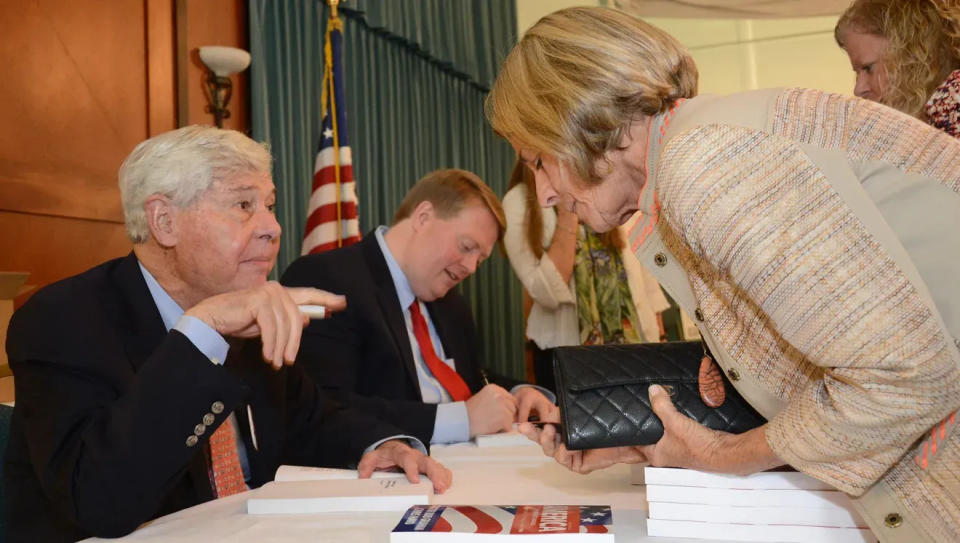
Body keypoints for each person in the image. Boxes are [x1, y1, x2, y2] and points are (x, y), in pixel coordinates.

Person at [486, 6, 960, 542]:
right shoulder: (702, 149)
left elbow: (905, 379)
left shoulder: (707, 163)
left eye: (537, 159)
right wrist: (649, 441)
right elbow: (818, 374)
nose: (545, 193)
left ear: (579, 119)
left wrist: (725, 455)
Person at [3, 126, 451, 542]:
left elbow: (311, 421)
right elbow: (98, 501)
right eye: (243, 206)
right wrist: (203, 332)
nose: (273, 228)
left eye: (269, 205)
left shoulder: (250, 312)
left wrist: (381, 445)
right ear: (164, 222)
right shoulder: (62, 320)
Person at [281, 169, 556, 447]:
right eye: (466, 246)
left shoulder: (452, 304)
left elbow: (466, 380)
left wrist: (519, 394)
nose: (471, 268)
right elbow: (328, 407)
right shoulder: (326, 280)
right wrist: (462, 420)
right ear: (423, 217)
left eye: (480, 259)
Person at [502, 160, 670, 391]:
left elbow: (641, 264)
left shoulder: (602, 177)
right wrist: (567, 211)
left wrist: (660, 336)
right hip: (566, 359)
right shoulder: (518, 201)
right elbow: (548, 293)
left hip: (635, 348)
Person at [835, 0, 960, 136]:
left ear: (911, 58)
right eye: (857, 73)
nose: (858, 89)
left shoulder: (953, 100)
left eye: (868, 68)